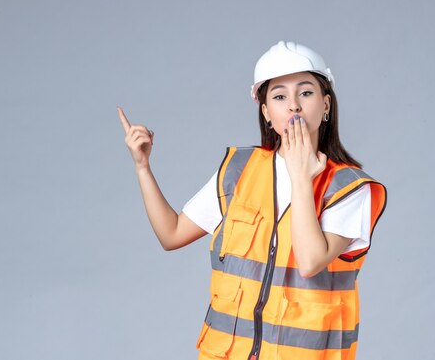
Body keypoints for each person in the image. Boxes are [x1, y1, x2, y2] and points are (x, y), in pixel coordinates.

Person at [117, 41, 387, 360]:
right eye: (279, 96)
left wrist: (302, 178)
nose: (294, 106)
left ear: (326, 105)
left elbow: (311, 260)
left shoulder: (349, 188)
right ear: (265, 111)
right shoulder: (238, 171)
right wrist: (142, 167)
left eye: (306, 92)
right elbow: (171, 234)